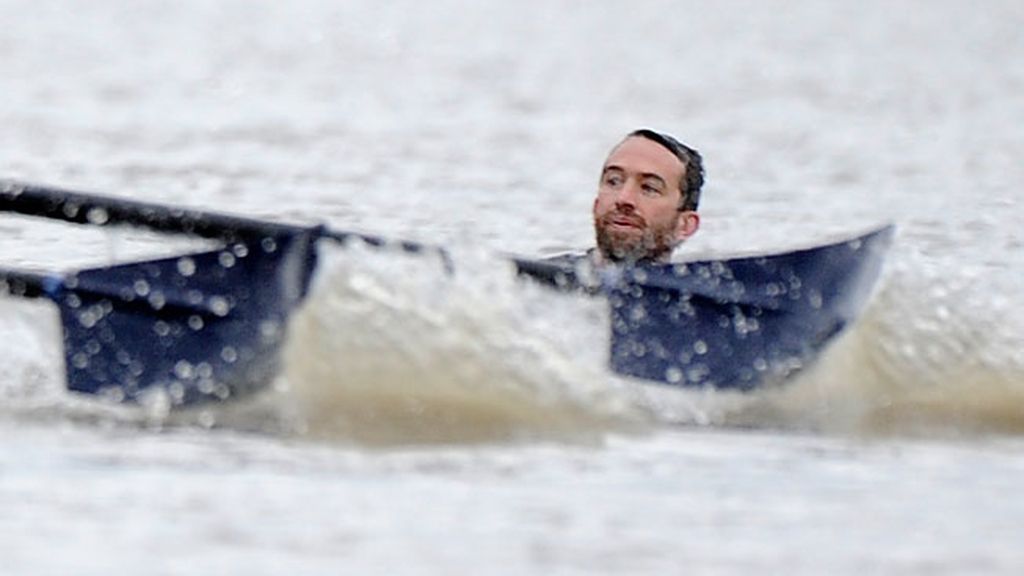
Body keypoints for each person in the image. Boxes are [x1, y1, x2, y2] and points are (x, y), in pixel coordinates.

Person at [591, 129, 703, 264]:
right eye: (614, 181)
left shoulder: (710, 281)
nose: (623, 199)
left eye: (649, 188)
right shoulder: (563, 273)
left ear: (685, 225)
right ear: (596, 205)